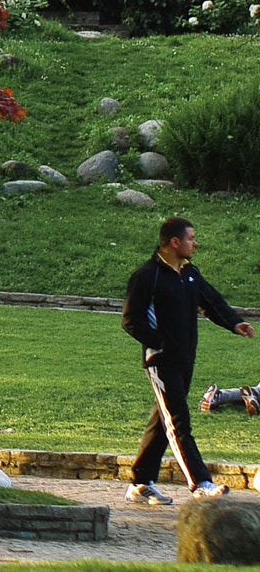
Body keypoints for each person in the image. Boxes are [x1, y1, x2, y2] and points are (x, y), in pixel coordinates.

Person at [122, 216, 254, 504]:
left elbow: (211, 301)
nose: (195, 243)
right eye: (191, 238)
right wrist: (160, 343)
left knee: (163, 421)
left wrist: (235, 323)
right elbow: (130, 320)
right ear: (174, 242)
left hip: (185, 360)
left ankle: (140, 482)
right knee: (178, 421)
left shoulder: (188, 273)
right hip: (161, 361)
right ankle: (200, 483)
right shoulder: (147, 276)